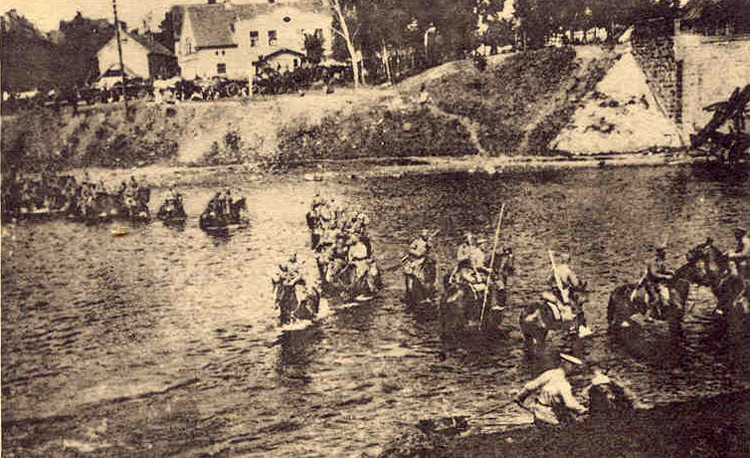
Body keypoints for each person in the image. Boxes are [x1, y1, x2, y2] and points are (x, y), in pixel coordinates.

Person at [513, 353, 588, 427]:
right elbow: (570, 404)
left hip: (539, 413)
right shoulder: (563, 383)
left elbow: (530, 386)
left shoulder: (550, 373)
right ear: (566, 364)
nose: (575, 369)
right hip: (551, 417)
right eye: (574, 367)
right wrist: (584, 410)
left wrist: (520, 397)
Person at [403, 229, 437, 300]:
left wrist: (429, 242)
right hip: (416, 259)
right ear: (421, 235)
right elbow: (410, 249)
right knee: (409, 272)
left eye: (427, 234)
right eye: (424, 234)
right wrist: (417, 253)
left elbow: (431, 247)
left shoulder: (428, 242)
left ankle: (429, 292)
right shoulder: (416, 242)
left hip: (424, 259)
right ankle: (408, 293)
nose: (426, 236)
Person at [642, 244, 673, 320]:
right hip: (651, 283)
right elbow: (654, 274)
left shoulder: (661, 261)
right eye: (664, 252)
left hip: (658, 283)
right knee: (655, 298)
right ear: (660, 253)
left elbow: (663, 271)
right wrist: (665, 276)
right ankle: (648, 315)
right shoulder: (653, 262)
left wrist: (670, 272)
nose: (665, 254)